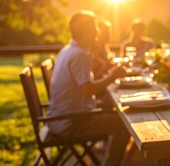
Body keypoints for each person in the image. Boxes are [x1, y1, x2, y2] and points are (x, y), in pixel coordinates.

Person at [47, 11, 130, 166]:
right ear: (86, 32)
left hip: (60, 117)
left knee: (113, 111)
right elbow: (89, 90)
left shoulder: (69, 50)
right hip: (72, 123)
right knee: (124, 124)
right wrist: (113, 75)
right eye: (94, 29)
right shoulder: (79, 55)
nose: (97, 33)